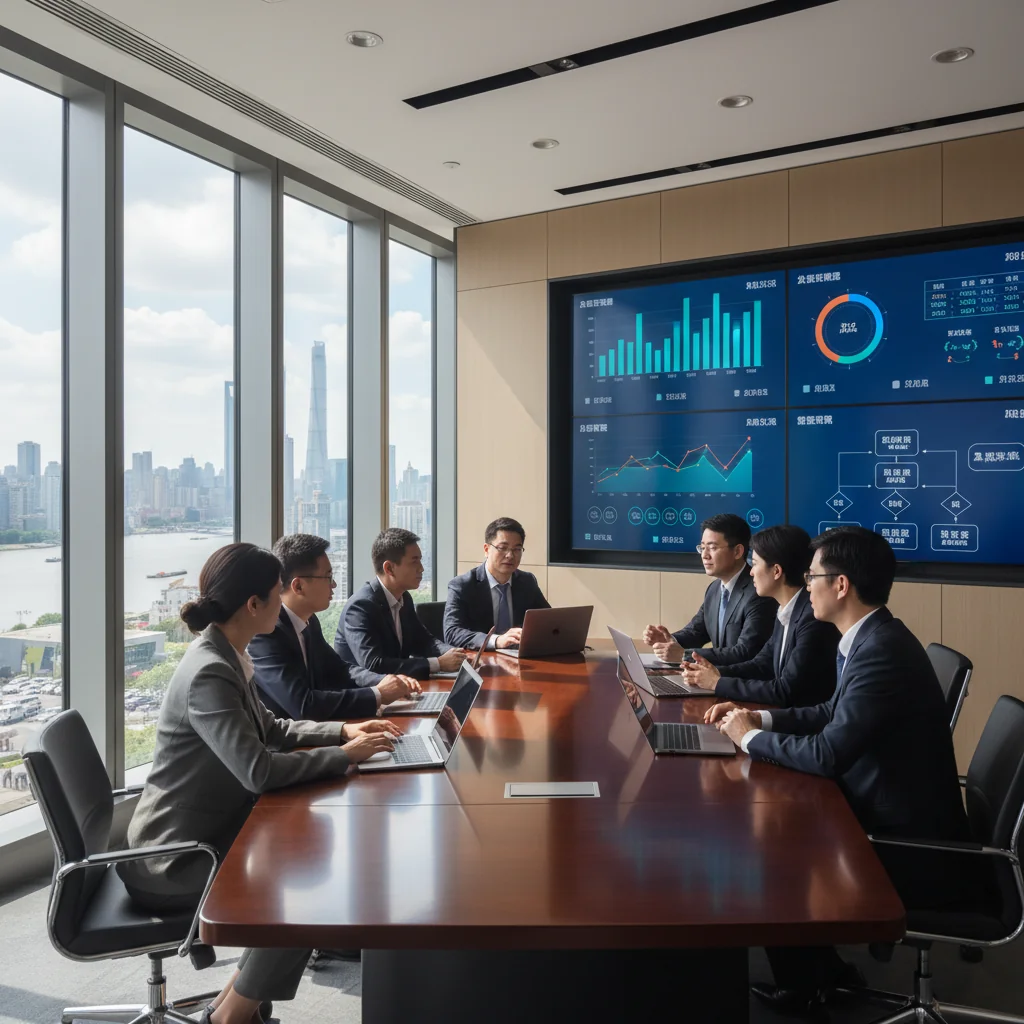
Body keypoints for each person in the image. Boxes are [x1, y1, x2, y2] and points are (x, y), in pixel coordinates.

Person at [118, 543, 400, 1024]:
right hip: (177, 856)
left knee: (309, 867)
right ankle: (231, 1016)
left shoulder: (227, 653)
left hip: (215, 830)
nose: (281, 602)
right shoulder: (210, 670)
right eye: (275, 593)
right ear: (254, 605)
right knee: (307, 889)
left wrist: (343, 731)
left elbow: (272, 729)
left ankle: (232, 1006)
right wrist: (343, 757)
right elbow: (259, 769)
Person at [713, 527, 977, 1015]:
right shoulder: (872, 636)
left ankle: (811, 985)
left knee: (774, 846)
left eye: (812, 576)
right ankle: (821, 972)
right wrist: (757, 719)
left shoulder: (880, 652)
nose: (804, 584)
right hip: (886, 808)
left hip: (907, 843)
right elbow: (828, 714)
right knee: (775, 826)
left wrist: (748, 739)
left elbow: (828, 754)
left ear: (841, 585)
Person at [249, 533, 422, 720]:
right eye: (328, 576)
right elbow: (303, 705)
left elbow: (339, 669)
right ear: (298, 586)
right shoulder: (265, 635)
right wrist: (377, 694)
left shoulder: (308, 621)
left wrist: (384, 681)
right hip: (287, 744)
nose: (334, 584)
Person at [684, 524, 839, 711]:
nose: (750, 572)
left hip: (800, 727)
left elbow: (786, 690)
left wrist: (717, 683)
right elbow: (762, 664)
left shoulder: (812, 618)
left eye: (755, 563)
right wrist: (714, 673)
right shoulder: (787, 609)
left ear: (776, 571)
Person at [643, 512, 776, 666]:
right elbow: (696, 631)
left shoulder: (758, 592)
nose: (705, 555)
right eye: (702, 547)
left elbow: (746, 651)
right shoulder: (714, 589)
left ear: (738, 551)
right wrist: (668, 640)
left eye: (712, 548)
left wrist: (684, 655)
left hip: (738, 684)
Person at [336, 528, 468, 679]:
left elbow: (424, 641)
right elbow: (374, 664)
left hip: (400, 689)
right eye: (414, 561)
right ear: (389, 568)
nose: (421, 568)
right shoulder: (361, 606)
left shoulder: (404, 597)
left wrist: (456, 654)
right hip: (364, 695)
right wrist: (437, 663)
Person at [443, 516, 550, 650]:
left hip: (520, 659)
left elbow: (548, 622)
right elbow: (452, 633)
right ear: (486, 549)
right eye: (502, 548)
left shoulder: (527, 581)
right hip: (482, 663)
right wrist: (496, 640)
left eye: (517, 549)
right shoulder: (463, 585)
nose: (510, 555)